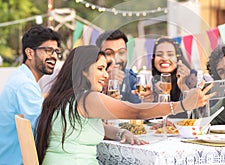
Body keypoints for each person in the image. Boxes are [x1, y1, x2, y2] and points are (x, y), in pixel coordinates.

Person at [35, 45, 213, 165]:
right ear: (82, 70)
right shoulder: (88, 98)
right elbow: (134, 111)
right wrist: (182, 105)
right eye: (100, 69)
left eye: (105, 69)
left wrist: (121, 132)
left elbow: (92, 128)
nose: (105, 75)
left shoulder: (62, 98)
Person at [0, 25, 61, 164]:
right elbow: (46, 126)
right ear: (30, 53)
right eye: (48, 50)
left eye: (56, 51)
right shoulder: (24, 85)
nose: (54, 56)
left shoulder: (21, 77)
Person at [96, 30, 150, 103]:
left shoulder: (133, 79)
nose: (116, 59)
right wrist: (106, 84)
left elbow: (140, 107)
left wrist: (148, 98)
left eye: (121, 53)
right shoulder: (89, 79)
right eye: (108, 53)